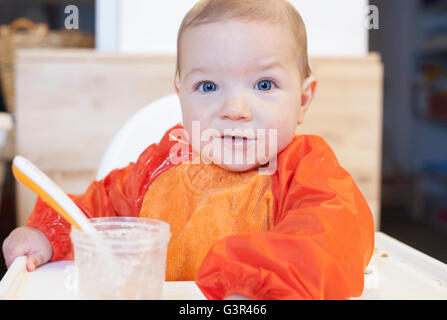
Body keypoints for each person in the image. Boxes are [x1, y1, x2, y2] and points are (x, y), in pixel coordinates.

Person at [2, 0, 374, 300]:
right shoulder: (163, 163)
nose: (235, 109)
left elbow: (331, 238)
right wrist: (49, 233)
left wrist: (254, 287)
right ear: (181, 97)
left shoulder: (306, 169)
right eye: (208, 86)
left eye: (264, 84)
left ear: (303, 100)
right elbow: (98, 212)